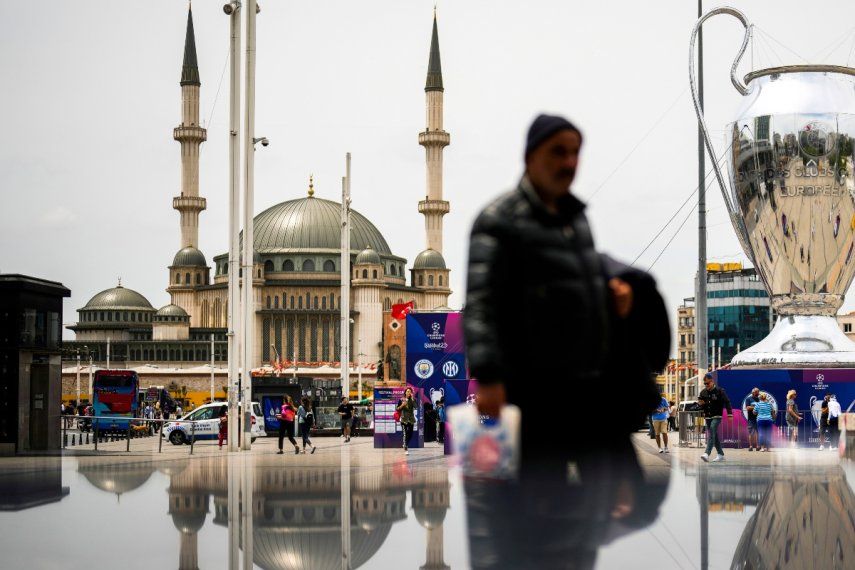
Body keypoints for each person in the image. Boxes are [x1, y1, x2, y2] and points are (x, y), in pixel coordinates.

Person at [463, 114, 664, 472]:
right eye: (558, 152)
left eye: (575, 153)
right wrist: (489, 378)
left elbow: (576, 287)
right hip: (532, 389)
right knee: (538, 490)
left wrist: (613, 299)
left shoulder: (577, 220)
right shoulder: (499, 220)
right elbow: (480, 304)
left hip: (586, 389)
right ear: (530, 157)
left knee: (600, 495)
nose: (569, 162)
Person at [698, 373, 733, 463]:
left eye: (708, 383)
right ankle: (720, 454)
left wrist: (730, 414)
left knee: (713, 429)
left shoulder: (719, 391)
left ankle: (707, 453)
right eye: (705, 384)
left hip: (717, 415)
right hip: (708, 416)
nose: (706, 385)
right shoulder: (703, 392)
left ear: (712, 381)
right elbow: (701, 405)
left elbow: (727, 402)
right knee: (714, 434)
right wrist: (701, 404)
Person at [397, 387, 416, 455]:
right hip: (403, 419)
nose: (409, 393)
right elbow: (397, 409)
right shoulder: (401, 399)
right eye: (407, 391)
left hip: (411, 419)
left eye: (410, 391)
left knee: (410, 434)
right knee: (405, 434)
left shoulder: (413, 399)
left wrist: (413, 399)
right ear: (405, 392)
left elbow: (416, 407)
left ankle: (405, 444)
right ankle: (406, 448)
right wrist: (402, 405)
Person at [745, 387, 761, 451]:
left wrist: (754, 407)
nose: (758, 393)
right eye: (757, 392)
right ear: (753, 392)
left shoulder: (759, 399)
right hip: (751, 418)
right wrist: (757, 407)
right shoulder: (748, 399)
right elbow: (748, 408)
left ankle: (757, 446)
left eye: (758, 392)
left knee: (758, 432)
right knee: (751, 433)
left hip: (758, 418)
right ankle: (751, 446)